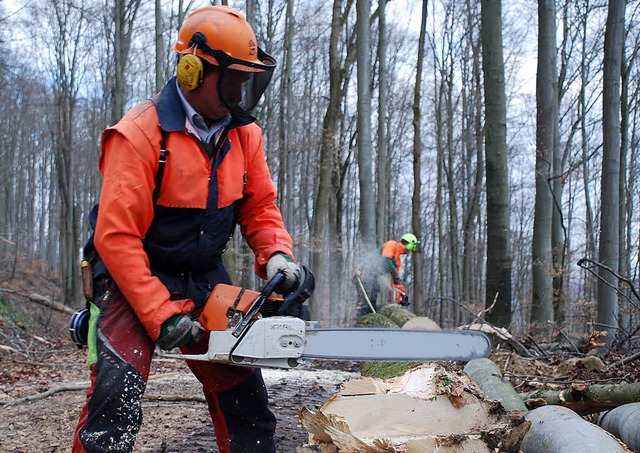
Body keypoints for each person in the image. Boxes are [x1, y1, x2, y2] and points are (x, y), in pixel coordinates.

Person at [72, 6, 300, 453]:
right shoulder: (140, 133)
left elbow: (260, 206)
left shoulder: (243, 135)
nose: (241, 89)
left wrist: (277, 254)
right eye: (233, 78)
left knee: (245, 397)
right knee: (116, 398)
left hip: (203, 271)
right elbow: (116, 239)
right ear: (193, 69)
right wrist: (162, 315)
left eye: (246, 79)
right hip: (133, 275)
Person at [354, 233, 419, 318]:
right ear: (410, 244)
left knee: (372, 304)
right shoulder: (392, 244)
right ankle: (354, 327)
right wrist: (395, 273)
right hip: (364, 272)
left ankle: (367, 326)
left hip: (373, 277)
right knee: (365, 303)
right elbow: (386, 260)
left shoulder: (397, 261)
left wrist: (402, 295)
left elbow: (396, 282)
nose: (410, 251)